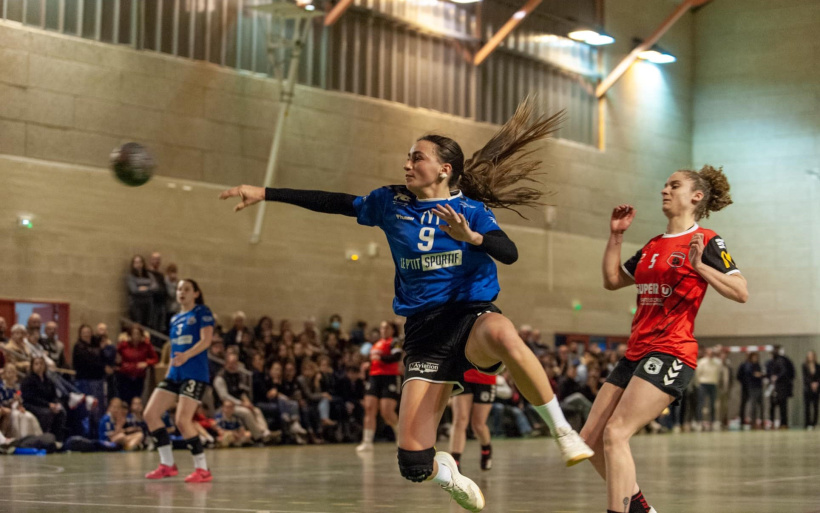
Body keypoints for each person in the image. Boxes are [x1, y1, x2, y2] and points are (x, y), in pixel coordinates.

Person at [220, 99, 591, 512]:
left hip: (469, 317)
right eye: (407, 157)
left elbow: (510, 253)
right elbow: (336, 201)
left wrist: (472, 239)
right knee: (413, 463)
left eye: (418, 157)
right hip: (423, 331)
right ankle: (446, 472)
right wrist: (266, 192)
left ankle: (562, 431)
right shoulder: (390, 203)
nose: (408, 164)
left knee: (503, 332)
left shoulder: (471, 211)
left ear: (444, 169)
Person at [584, 165, 748, 513]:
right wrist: (616, 236)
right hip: (635, 352)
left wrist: (701, 266)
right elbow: (613, 280)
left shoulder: (706, 239)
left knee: (616, 433)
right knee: (589, 440)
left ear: (696, 196)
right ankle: (641, 507)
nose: (665, 190)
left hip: (672, 351)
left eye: (674, 185)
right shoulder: (653, 245)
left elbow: (741, 291)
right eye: (664, 185)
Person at [143, 279, 215, 483]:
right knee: (151, 414)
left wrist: (187, 356)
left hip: (194, 373)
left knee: (182, 421)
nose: (182, 292)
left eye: (187, 289)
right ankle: (167, 464)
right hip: (175, 374)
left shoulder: (202, 312)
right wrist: (170, 371)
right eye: (179, 289)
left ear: (196, 293)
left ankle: (202, 469)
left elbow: (206, 341)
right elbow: (175, 350)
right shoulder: (175, 319)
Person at [357, 321, 402, 452]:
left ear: (392, 330)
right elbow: (374, 360)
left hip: (390, 377)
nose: (383, 330)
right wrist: (368, 365)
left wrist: (381, 358)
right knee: (369, 408)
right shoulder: (375, 344)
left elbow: (396, 356)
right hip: (374, 377)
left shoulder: (395, 341)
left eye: (386, 327)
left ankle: (401, 437)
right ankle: (367, 441)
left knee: (386, 411)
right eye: (382, 328)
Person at [450, 368, 496, 472]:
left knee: (478, 425)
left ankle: (486, 448)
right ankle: (455, 462)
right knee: (460, 420)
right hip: (462, 374)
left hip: (485, 375)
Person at [21, 356, 67, 443]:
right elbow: (31, 398)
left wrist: (56, 404)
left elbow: (54, 395)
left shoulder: (48, 380)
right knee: (46, 414)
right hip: (32, 405)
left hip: (48, 404)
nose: (39, 366)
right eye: (36, 364)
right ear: (32, 366)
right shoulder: (28, 380)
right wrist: (48, 405)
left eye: (41, 363)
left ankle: (58, 439)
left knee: (61, 412)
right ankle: (44, 438)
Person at [117, 325, 159, 405]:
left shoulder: (146, 345)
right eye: (134, 334)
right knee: (124, 400)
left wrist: (146, 363)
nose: (136, 336)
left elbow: (155, 359)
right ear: (130, 335)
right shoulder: (124, 345)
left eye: (138, 334)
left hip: (139, 377)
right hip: (125, 376)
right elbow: (115, 355)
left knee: (136, 399)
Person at [766, 346, 795, 430]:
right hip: (776, 387)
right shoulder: (773, 361)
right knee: (774, 405)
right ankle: (775, 422)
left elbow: (784, 372)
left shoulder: (781, 361)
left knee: (782, 406)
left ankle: (783, 423)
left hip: (781, 387)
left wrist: (776, 377)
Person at [737, 352, 763, 428]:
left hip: (756, 387)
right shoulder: (744, 365)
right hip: (747, 387)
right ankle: (742, 421)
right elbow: (739, 376)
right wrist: (745, 382)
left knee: (759, 404)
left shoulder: (757, 365)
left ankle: (759, 421)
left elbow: (760, 375)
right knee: (745, 404)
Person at [802, 350, 819, 430]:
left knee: (815, 406)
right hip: (807, 389)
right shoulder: (804, 366)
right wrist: (811, 383)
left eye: (812, 355)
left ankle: (814, 423)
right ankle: (807, 423)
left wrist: (816, 384)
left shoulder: (818, 366)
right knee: (807, 407)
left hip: (816, 389)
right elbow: (805, 377)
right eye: (809, 355)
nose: (811, 357)